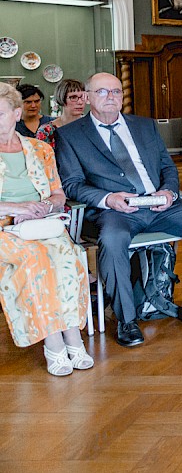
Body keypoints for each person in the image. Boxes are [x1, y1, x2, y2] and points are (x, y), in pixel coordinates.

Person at [56, 72, 182, 348]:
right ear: (87, 97)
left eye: (116, 92)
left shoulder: (145, 126)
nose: (111, 97)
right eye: (102, 92)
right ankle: (127, 320)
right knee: (113, 239)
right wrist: (108, 198)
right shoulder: (71, 135)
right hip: (114, 210)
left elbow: (167, 167)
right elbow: (72, 185)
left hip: (157, 205)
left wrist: (168, 192)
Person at [0, 83, 92, 376]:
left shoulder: (39, 149)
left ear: (16, 114)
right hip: (5, 230)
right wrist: (17, 209)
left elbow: (58, 194)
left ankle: (74, 340)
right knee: (36, 261)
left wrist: (45, 207)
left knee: (68, 256)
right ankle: (54, 344)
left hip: (39, 225)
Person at [36, 79, 87, 150]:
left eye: (82, 97)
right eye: (73, 97)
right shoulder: (47, 131)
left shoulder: (92, 126)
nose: (80, 102)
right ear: (61, 98)